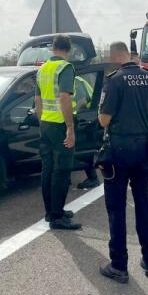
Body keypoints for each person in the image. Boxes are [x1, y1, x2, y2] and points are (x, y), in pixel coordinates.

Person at [97, 41, 148, 283]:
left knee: (116, 208)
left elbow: (104, 120)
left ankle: (119, 266)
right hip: (144, 149)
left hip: (120, 150)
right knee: (143, 203)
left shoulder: (114, 80)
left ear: (115, 55)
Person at [35, 34, 82, 230]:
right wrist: (70, 128)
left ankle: (51, 212)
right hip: (60, 125)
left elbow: (37, 101)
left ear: (52, 48)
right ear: (68, 49)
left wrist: (42, 122)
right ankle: (57, 217)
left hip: (45, 123)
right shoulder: (65, 68)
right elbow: (64, 98)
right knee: (61, 171)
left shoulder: (42, 69)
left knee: (47, 169)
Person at [74, 75, 101, 189]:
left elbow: (83, 100)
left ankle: (92, 178)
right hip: (82, 116)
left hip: (83, 117)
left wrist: (73, 114)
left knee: (82, 149)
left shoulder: (76, 81)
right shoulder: (74, 79)